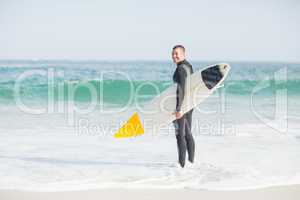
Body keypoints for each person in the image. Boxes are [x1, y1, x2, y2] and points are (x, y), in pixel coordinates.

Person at [172, 45, 195, 168]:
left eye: (177, 53)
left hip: (182, 106)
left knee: (180, 135)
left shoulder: (181, 69)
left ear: (183, 54)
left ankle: (181, 166)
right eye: (173, 54)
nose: (174, 56)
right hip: (189, 104)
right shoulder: (188, 66)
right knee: (187, 134)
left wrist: (178, 108)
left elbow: (181, 88)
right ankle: (191, 163)